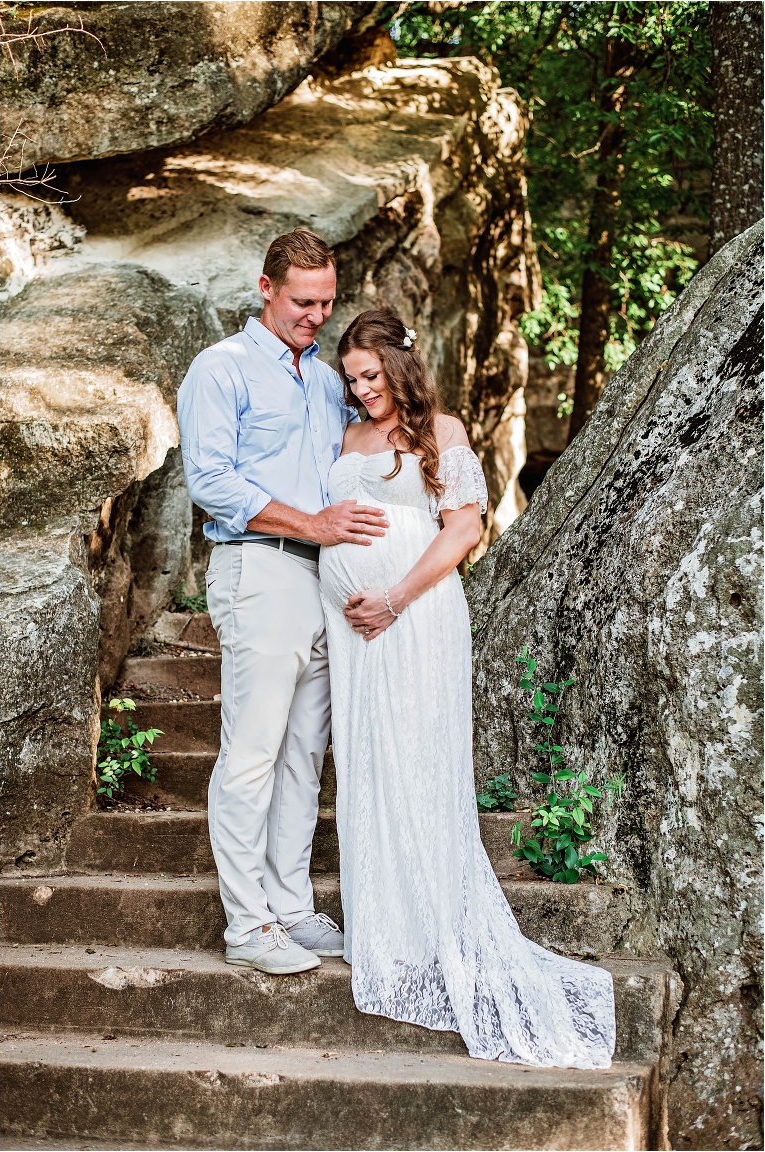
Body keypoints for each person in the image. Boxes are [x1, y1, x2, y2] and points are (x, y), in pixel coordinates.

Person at [319, 309, 616, 1067]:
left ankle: (433, 922)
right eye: (350, 380)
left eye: (371, 377)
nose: (360, 391)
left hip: (415, 621)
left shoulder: (441, 432)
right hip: (357, 637)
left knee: (418, 758)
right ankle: (385, 923)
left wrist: (391, 598)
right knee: (370, 766)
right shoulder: (349, 436)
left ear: (399, 366)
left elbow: (462, 530)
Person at [176, 230, 388, 975]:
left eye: (327, 302)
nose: (317, 316)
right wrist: (310, 524)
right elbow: (212, 482)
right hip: (258, 568)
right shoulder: (221, 369)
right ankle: (247, 924)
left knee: (304, 755)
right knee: (254, 752)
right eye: (304, 302)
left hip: (323, 578)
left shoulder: (330, 382)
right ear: (265, 288)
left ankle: (291, 907)